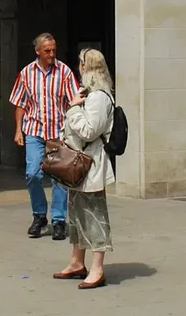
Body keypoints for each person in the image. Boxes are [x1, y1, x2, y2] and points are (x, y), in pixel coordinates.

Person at [9, 33, 81, 240]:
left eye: (53, 50)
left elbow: (74, 99)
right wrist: (18, 130)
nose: (51, 54)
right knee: (33, 174)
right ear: (38, 51)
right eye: (47, 51)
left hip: (58, 132)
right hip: (34, 131)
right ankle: (39, 215)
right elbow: (20, 103)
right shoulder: (26, 73)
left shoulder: (64, 72)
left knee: (59, 177)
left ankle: (59, 220)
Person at [54, 47, 115, 289]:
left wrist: (72, 109)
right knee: (76, 213)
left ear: (86, 67)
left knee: (94, 215)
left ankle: (98, 268)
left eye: (80, 63)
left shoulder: (99, 97)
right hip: (78, 164)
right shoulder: (88, 94)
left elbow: (90, 130)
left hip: (90, 165)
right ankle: (77, 262)